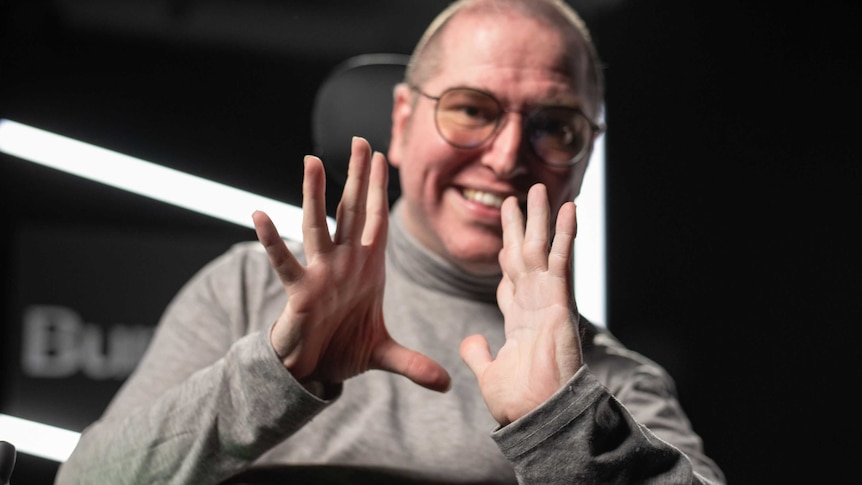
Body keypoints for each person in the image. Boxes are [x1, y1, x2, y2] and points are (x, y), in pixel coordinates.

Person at [55, 0, 726, 483]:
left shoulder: (609, 379)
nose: (506, 156)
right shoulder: (248, 289)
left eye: (557, 126)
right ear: (402, 123)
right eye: (472, 108)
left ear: (585, 157)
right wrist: (278, 375)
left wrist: (565, 426)